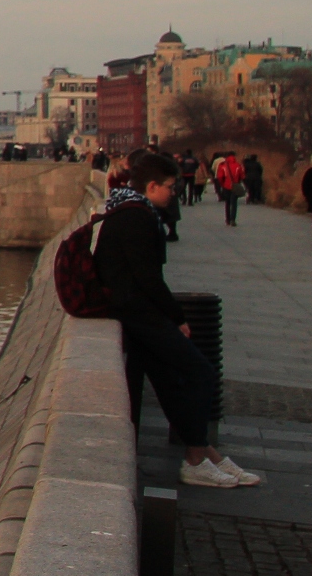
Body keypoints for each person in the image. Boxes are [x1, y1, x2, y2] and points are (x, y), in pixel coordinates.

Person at [96, 151, 260, 488]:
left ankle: (205, 453)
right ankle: (197, 459)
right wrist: (177, 317)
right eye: (170, 187)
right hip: (137, 313)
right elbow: (147, 277)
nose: (175, 192)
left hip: (132, 311)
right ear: (152, 186)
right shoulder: (136, 217)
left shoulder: (129, 210)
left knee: (170, 386)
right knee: (200, 371)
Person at [213, 150, 245, 225]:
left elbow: (220, 177)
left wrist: (222, 184)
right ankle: (233, 219)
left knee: (227, 203)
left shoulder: (223, 165)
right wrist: (238, 181)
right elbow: (242, 176)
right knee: (234, 203)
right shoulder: (238, 165)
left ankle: (227, 219)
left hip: (226, 186)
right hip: (235, 186)